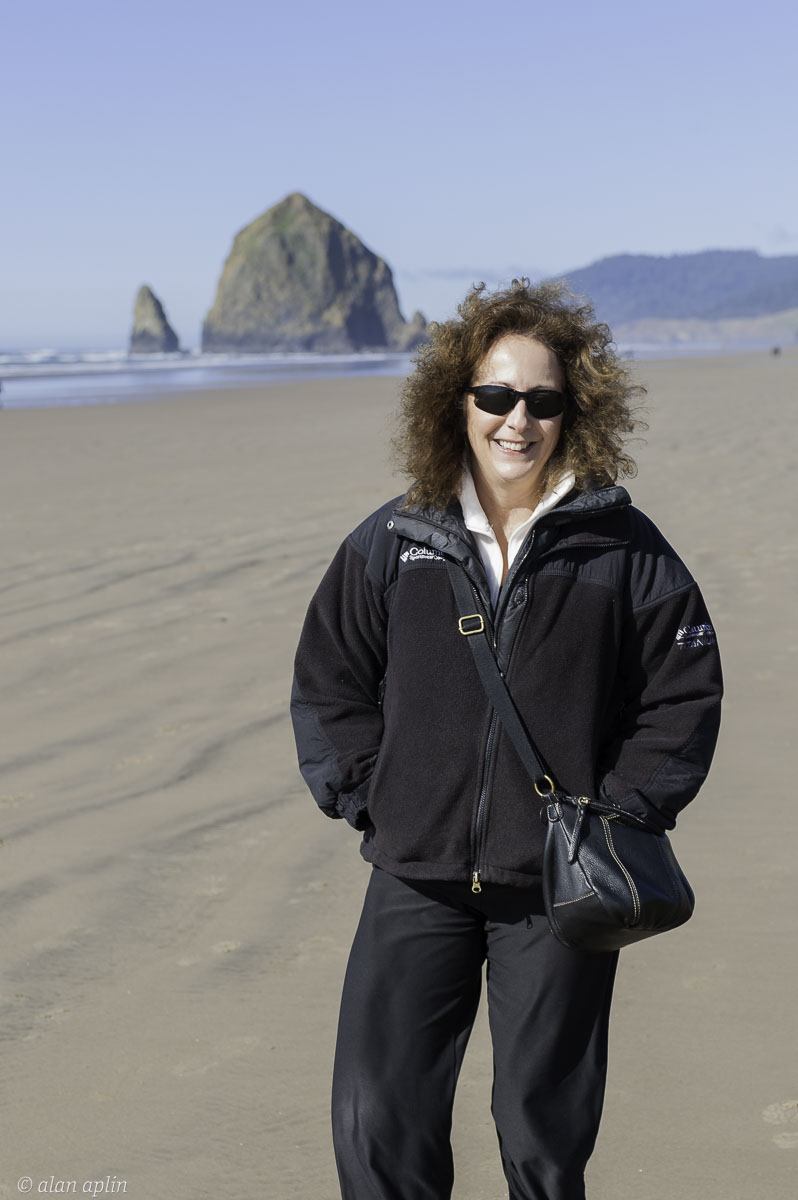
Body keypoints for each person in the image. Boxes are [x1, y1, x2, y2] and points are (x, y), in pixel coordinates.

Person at [290, 279, 723, 1200]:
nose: (517, 419)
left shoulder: (625, 549)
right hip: (414, 873)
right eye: (495, 394)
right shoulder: (396, 536)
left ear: (574, 411)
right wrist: (373, 796)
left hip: (559, 890)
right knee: (379, 1124)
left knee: (543, 1136)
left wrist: (617, 816)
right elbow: (329, 676)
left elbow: (683, 694)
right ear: (458, 400)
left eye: (542, 400)